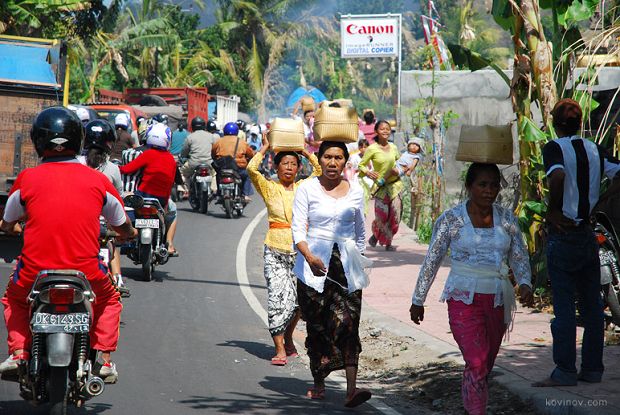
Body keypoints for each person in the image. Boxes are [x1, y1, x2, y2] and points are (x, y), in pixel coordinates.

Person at [0, 107, 137, 383]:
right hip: (86, 272)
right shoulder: (99, 180)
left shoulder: (27, 179)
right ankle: (105, 360)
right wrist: (128, 234)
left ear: (38, 141)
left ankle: (18, 352)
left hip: (34, 273)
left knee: (14, 298)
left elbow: (6, 223)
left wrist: (16, 227)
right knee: (110, 300)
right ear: (78, 140)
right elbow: (122, 224)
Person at [410, 162, 534, 415]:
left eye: (494, 185)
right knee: (476, 361)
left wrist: (525, 283)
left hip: (498, 301)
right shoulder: (451, 220)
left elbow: (519, 255)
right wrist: (418, 299)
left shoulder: (507, 219)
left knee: (485, 364)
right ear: (469, 187)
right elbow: (432, 259)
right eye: (482, 184)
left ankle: (472, 404)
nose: (489, 191)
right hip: (463, 299)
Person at [533, 98, 620, 387]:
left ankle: (565, 371)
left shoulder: (554, 147)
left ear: (555, 124)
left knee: (565, 307)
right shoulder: (594, 148)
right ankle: (593, 370)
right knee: (593, 306)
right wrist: (601, 203)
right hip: (587, 234)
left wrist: (553, 210)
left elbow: (556, 175)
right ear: (580, 124)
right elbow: (618, 172)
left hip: (564, 233)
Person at [292, 141, 372, 408]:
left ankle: (351, 389)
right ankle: (319, 380)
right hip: (314, 265)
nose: (333, 162)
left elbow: (361, 231)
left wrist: (359, 260)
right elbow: (298, 229)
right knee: (317, 326)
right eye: (328, 157)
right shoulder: (306, 188)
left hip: (346, 267)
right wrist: (308, 256)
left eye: (338, 157)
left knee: (350, 324)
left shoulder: (356, 191)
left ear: (345, 161)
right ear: (319, 159)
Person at [247, 135, 322, 365]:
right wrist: (266, 148)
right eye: (284, 163)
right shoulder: (269, 188)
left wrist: (305, 151)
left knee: (299, 302)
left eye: (293, 164)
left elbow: (318, 170)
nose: (288, 167)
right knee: (278, 299)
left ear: (299, 168)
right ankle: (280, 348)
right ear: (276, 167)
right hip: (275, 250)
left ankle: (289, 337)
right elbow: (252, 169)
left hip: (300, 251)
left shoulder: (304, 187)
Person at [77, 119, 130, 296]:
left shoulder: (75, 163)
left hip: (75, 224)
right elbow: (118, 198)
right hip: (101, 226)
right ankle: (117, 278)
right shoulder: (112, 169)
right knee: (113, 240)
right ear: (109, 142)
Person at [119, 123, 179, 256]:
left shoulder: (148, 154)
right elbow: (170, 183)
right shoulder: (171, 159)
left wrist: (115, 168)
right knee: (173, 212)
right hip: (161, 199)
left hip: (143, 195)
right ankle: (169, 244)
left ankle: (128, 237)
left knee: (128, 206)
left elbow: (128, 169)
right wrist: (165, 203)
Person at [358, 120, 403, 251]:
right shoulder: (372, 148)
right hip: (380, 188)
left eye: (388, 129)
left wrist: (400, 169)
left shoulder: (394, 147)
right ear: (376, 131)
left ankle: (389, 242)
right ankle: (377, 235)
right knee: (382, 217)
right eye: (382, 129)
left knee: (395, 215)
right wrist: (368, 172)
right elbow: (361, 165)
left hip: (395, 186)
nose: (385, 131)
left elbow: (400, 163)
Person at [211, 122, 255, 201]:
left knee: (218, 175)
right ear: (237, 131)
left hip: (223, 167)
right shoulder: (242, 142)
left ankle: (219, 193)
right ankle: (245, 194)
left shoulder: (219, 141)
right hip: (239, 168)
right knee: (247, 175)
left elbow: (213, 153)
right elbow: (250, 154)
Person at [180, 116, 217, 186]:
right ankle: (214, 190)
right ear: (204, 126)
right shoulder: (211, 136)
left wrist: (183, 156)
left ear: (193, 126)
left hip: (194, 163)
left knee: (182, 173)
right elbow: (215, 149)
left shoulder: (190, 137)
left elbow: (184, 151)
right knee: (215, 174)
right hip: (209, 163)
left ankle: (184, 190)